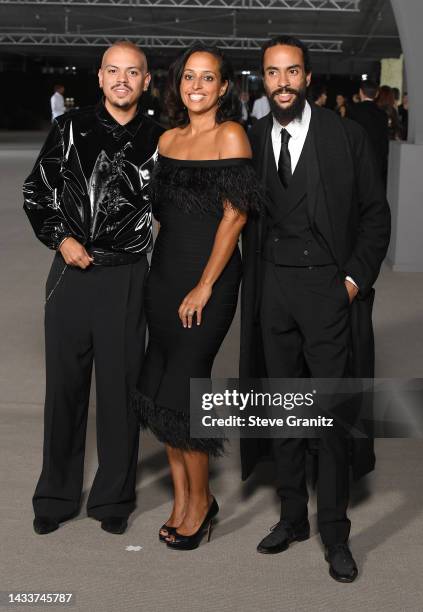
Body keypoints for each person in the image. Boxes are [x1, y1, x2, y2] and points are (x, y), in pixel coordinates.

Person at [239, 36, 391, 582]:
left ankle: (334, 531)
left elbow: (376, 217)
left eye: (292, 72)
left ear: (308, 78)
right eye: (272, 73)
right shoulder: (251, 138)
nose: (282, 82)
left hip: (328, 291)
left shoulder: (345, 136)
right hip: (272, 290)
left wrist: (350, 283)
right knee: (283, 409)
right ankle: (291, 517)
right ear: (262, 79)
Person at [24, 41, 163, 536]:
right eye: (113, 71)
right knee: (64, 389)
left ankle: (113, 500)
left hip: (127, 276)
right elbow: (35, 192)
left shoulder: (160, 140)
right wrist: (60, 239)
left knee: (121, 393)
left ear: (147, 81)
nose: (122, 79)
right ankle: (56, 495)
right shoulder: (68, 128)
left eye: (133, 72)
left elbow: (173, 210)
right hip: (71, 272)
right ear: (100, 78)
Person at [132, 42, 263, 551]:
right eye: (190, 77)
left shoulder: (231, 135)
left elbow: (236, 217)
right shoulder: (167, 139)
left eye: (208, 78)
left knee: (187, 391)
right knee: (160, 388)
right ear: (177, 84)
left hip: (207, 280)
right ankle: (182, 500)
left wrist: (206, 284)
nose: (197, 87)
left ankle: (202, 503)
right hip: (163, 276)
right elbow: (161, 213)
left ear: (224, 87)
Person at [349, 79, 389, 186]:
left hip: (357, 161)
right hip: (377, 162)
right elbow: (384, 142)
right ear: (376, 94)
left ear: (360, 92)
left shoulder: (354, 110)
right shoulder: (383, 114)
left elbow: (350, 137)